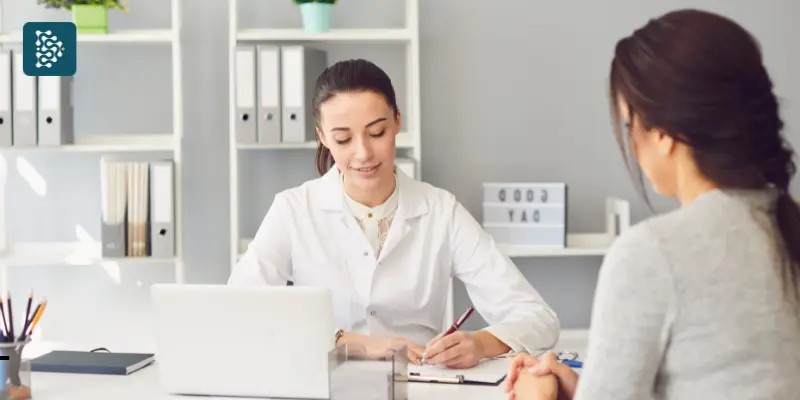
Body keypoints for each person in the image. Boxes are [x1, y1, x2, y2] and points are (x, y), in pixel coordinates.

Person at [504, 8, 800, 400]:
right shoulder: (786, 224)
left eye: (630, 125)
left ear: (663, 134)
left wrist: (536, 396)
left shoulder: (654, 254)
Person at [228, 58, 560, 368]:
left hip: (417, 384)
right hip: (324, 382)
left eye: (377, 133)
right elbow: (239, 309)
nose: (363, 153)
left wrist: (482, 343)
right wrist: (349, 342)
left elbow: (537, 317)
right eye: (343, 139)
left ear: (397, 120)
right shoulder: (293, 210)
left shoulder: (441, 212)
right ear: (323, 138)